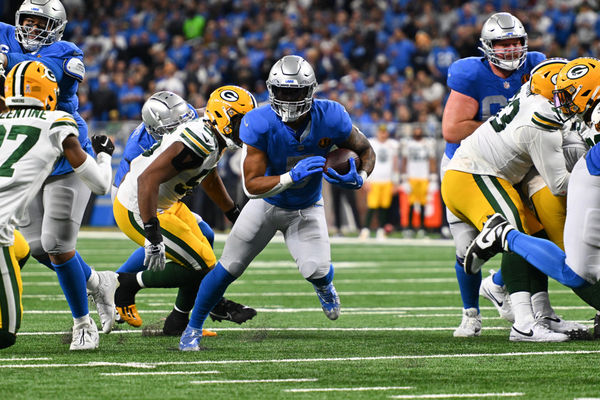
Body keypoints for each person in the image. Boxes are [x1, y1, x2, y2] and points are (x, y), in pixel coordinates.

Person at [178, 54, 376, 351]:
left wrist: (360, 176)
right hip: (266, 204)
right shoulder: (258, 121)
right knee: (228, 267)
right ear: (271, 90)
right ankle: (193, 328)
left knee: (315, 269)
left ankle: (324, 286)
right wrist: (290, 176)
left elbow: (365, 149)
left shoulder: (332, 116)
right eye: (282, 91)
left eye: (295, 92)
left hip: (306, 207)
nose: (288, 99)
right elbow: (251, 185)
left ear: (310, 92)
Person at [442, 58, 589, 342]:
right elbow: (559, 183)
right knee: (512, 235)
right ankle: (521, 323)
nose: (571, 97)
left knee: (538, 234)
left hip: (505, 172)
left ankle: (538, 310)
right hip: (473, 172)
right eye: (566, 92)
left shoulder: (533, 89)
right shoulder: (539, 119)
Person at [0, 0, 119, 342]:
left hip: (61, 145)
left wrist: (6, 64)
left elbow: (35, 78)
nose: (32, 29)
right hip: (25, 149)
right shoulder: (5, 34)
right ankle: (98, 282)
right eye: (28, 21)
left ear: (56, 27)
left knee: (56, 243)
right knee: (37, 246)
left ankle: (83, 325)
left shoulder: (66, 53)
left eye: (41, 23)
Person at [113, 85, 258, 337]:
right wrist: (151, 231)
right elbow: (146, 180)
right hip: (137, 205)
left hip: (164, 201)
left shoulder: (213, 136)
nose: (246, 128)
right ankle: (126, 284)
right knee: (201, 265)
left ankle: (178, 322)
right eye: (240, 121)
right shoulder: (199, 140)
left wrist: (232, 211)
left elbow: (209, 175)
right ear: (223, 118)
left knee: (205, 251)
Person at [440, 12, 546, 337]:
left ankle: (501, 285)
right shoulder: (470, 72)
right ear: (488, 47)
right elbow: (452, 129)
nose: (512, 49)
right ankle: (470, 313)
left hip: (514, 168)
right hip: (468, 167)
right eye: (503, 43)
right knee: (466, 249)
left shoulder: (537, 66)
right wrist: (506, 128)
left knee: (533, 231)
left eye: (516, 42)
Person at [359, 123, 399, 241]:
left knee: (384, 207)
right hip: (374, 180)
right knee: (372, 206)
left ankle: (381, 230)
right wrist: (365, 179)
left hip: (387, 180)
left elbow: (395, 164)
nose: (383, 134)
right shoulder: (371, 143)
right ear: (377, 132)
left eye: (384, 131)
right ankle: (365, 230)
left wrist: (395, 181)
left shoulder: (392, 145)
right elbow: (366, 160)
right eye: (381, 131)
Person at [400, 124, 436, 238]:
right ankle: (409, 227)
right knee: (411, 203)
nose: (417, 132)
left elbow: (431, 159)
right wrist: (404, 176)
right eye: (416, 130)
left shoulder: (427, 143)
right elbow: (405, 160)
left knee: (422, 204)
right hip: (412, 176)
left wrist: (433, 175)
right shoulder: (408, 144)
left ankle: (422, 227)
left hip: (424, 176)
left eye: (419, 130)